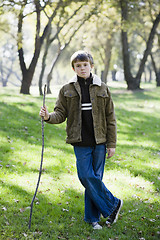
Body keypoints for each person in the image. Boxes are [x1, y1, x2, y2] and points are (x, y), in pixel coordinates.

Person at [39, 50, 123, 230]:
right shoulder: (67, 89)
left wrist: (112, 144)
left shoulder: (103, 88)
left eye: (85, 65)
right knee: (87, 177)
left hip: (100, 141)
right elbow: (60, 113)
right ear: (73, 68)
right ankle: (113, 204)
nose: (82, 68)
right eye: (78, 65)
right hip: (80, 141)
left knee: (95, 180)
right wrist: (48, 117)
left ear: (91, 66)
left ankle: (92, 219)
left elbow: (111, 118)